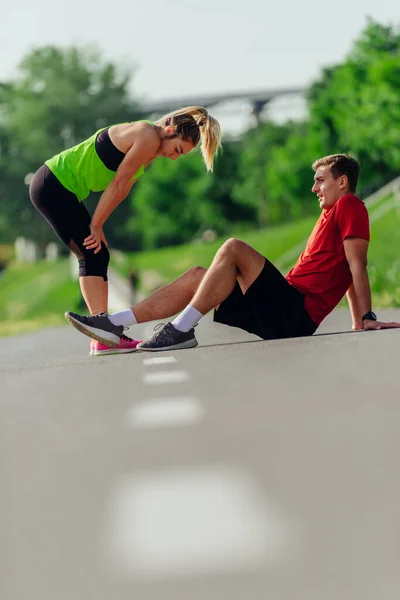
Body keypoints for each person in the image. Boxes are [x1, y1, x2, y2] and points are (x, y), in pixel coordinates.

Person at [64, 154, 400, 351]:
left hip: (295, 310)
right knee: (199, 275)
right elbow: (346, 270)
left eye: (321, 180)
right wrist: (358, 321)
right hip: (281, 312)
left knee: (234, 247)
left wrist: (367, 318)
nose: (314, 187)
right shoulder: (332, 213)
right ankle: (113, 323)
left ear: (343, 182)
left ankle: (180, 330)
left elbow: (357, 265)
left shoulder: (350, 204)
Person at [29, 106, 221, 356]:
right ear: (170, 130)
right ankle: (102, 334)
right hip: (53, 185)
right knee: (92, 254)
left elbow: (124, 187)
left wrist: (99, 224)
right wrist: (95, 225)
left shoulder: (152, 146)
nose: (174, 157)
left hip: (61, 188)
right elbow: (118, 183)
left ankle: (104, 332)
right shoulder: (147, 136)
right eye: (177, 150)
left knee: (99, 254)